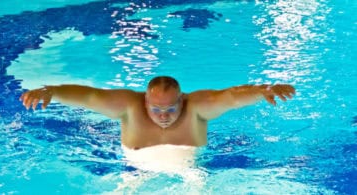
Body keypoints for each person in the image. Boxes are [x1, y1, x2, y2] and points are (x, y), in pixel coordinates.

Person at [20, 76, 295, 150]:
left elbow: (229, 97)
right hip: (133, 170)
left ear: (182, 100)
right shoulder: (129, 105)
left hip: (191, 173)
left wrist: (262, 90)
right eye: (156, 109)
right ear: (145, 102)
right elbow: (91, 96)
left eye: (171, 108)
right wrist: (51, 91)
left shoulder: (197, 107)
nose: (163, 115)